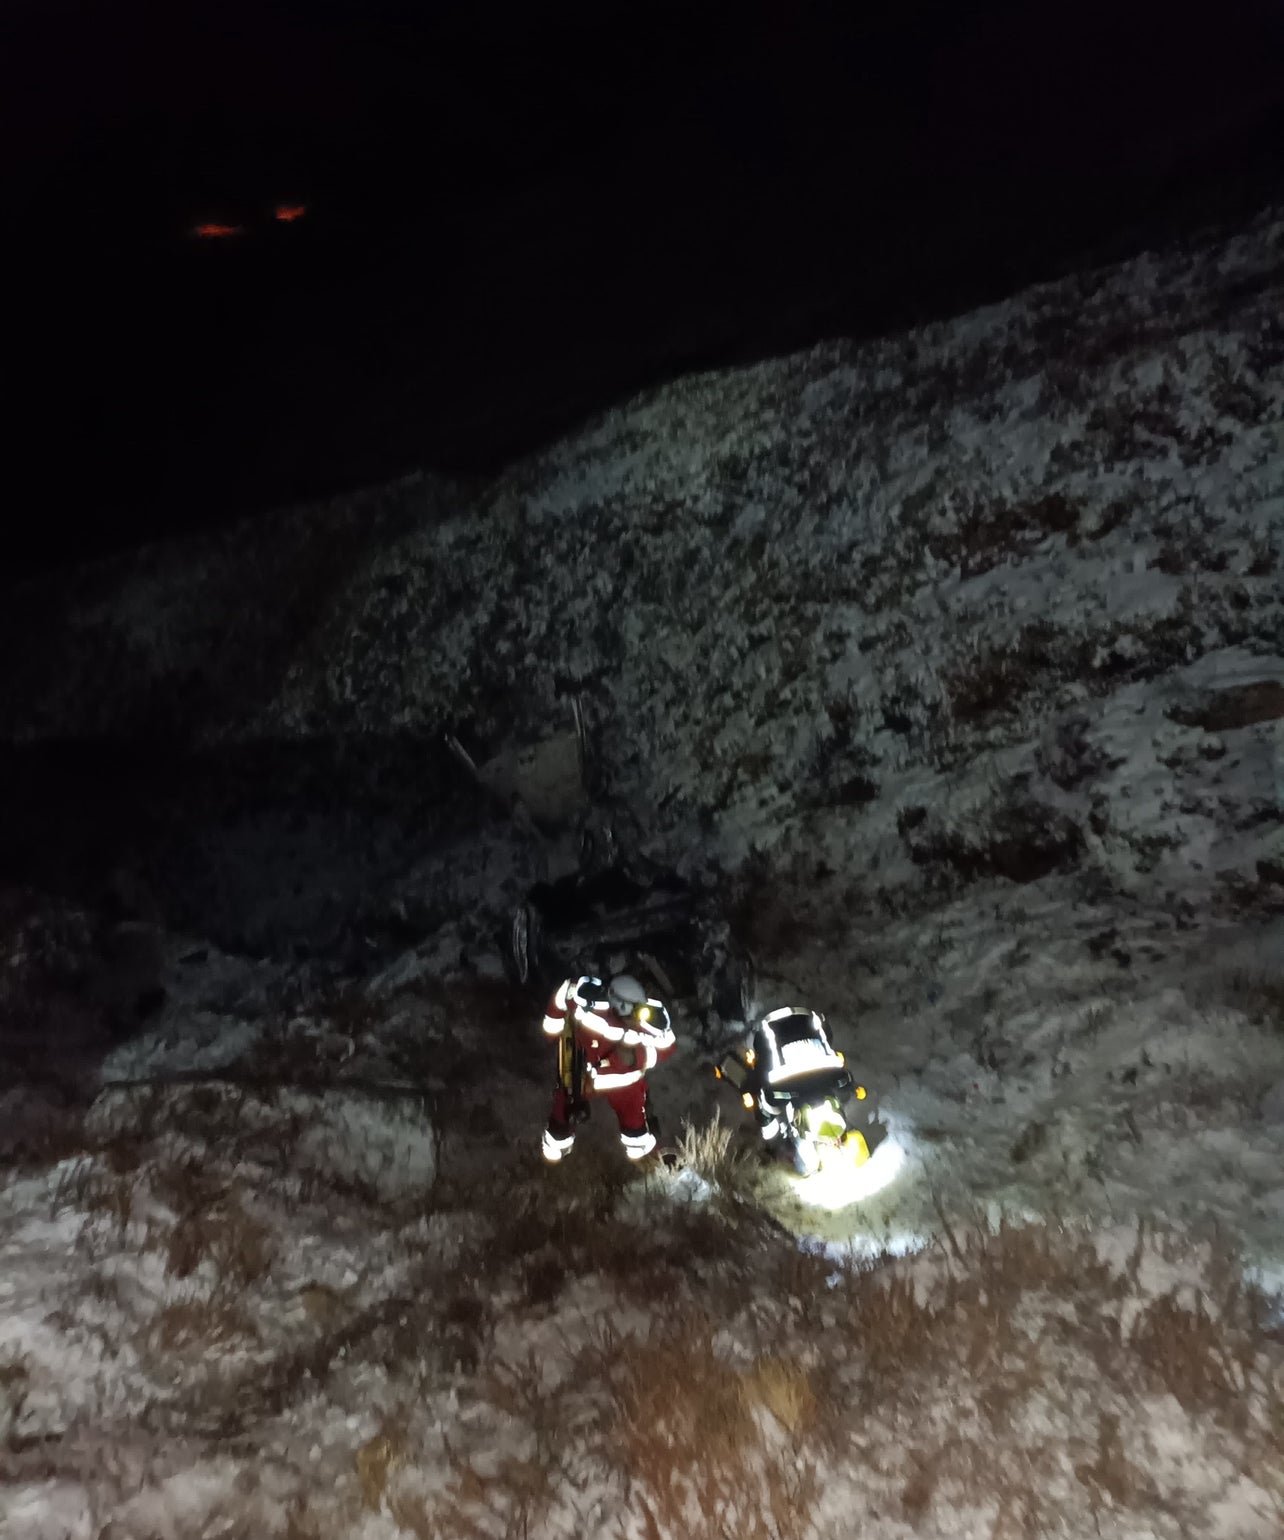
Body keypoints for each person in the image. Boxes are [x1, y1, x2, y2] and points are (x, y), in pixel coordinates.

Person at [541, 972, 676, 1163]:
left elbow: (668, 1046)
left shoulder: (652, 1019)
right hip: (581, 1075)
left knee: (634, 1122)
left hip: (625, 1082)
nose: (637, 1018)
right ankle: (554, 1152)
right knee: (562, 1111)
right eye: (633, 1010)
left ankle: (643, 1155)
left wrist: (637, 1059)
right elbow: (565, 992)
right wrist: (553, 1030)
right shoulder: (588, 1004)